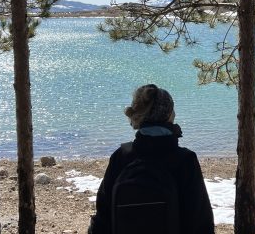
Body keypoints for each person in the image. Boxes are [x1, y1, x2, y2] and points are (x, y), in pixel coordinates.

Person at [88, 84, 214, 234]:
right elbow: (200, 222)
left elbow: (103, 218)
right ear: (168, 115)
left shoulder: (120, 156)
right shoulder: (185, 160)